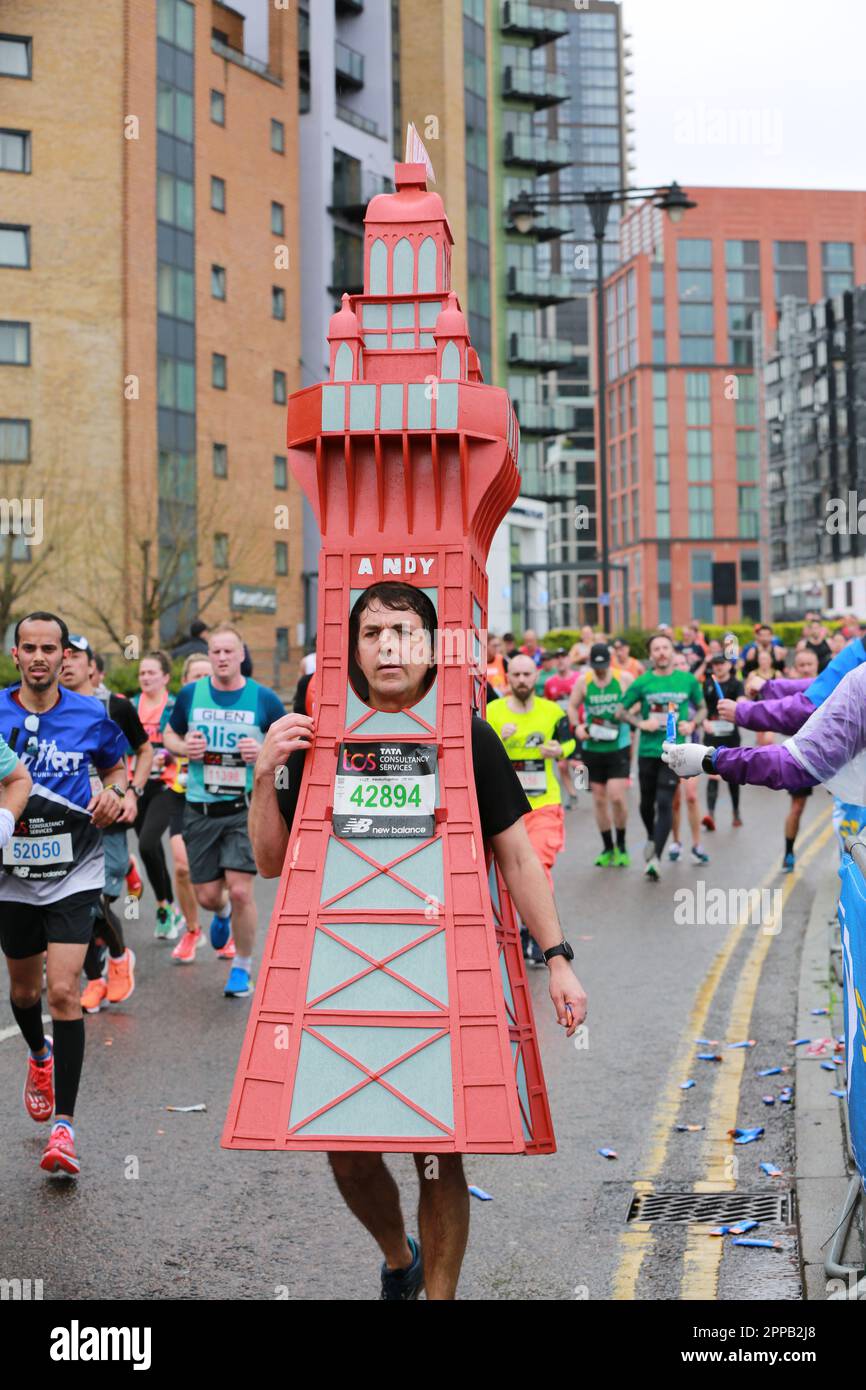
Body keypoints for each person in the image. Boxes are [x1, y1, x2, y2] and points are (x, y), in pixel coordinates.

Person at [249, 580, 587, 1301]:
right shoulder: (320, 733)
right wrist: (264, 775)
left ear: (434, 648)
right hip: (338, 971)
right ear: (353, 649)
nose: (388, 647)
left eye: (403, 632)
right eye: (372, 634)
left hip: (438, 970)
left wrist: (557, 959)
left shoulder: (468, 734)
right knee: (345, 1156)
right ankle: (397, 1261)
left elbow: (518, 855)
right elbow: (272, 861)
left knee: (439, 1157)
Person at [0, 612, 129, 1176]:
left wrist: (119, 793)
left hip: (75, 868)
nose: (38, 657)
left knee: (63, 992)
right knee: (24, 992)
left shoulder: (91, 714)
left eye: (48, 648)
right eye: (28, 647)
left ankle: (65, 1129)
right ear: (16, 655)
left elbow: (118, 768)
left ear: (64, 655)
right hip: (11, 874)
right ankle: (38, 1054)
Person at [163, 624, 285, 997]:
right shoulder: (190, 695)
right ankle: (220, 914)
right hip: (200, 808)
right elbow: (168, 736)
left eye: (229, 651)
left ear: (241, 654)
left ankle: (242, 968)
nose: (222, 658)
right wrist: (185, 747)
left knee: (241, 891)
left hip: (243, 808)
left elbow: (291, 746)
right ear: (209, 654)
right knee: (207, 896)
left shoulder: (263, 699)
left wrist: (263, 747)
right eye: (215, 651)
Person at [59, 635, 151, 1012]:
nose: (65, 663)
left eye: (74, 656)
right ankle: (95, 980)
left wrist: (132, 793)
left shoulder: (115, 706)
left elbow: (143, 749)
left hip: (108, 817)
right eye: (59, 656)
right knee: (73, 907)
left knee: (95, 901)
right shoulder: (46, 711)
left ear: (91, 665)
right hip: (64, 821)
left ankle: (118, 957)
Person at [486, 653, 576, 964]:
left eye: (527, 675)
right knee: (506, 873)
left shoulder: (552, 711)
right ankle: (519, 929)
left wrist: (558, 749)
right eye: (516, 675)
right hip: (506, 806)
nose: (522, 680)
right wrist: (498, 738)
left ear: (536, 676)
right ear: (507, 678)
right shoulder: (491, 711)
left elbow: (571, 742)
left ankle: (537, 933)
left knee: (538, 865)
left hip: (544, 803)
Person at [618, 631, 707, 881]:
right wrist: (639, 722)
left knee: (666, 802)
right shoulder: (642, 683)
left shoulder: (687, 681)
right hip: (647, 751)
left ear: (672, 652)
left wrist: (693, 723)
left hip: (674, 752)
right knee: (646, 804)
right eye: (656, 649)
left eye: (665, 648)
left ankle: (654, 856)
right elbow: (620, 711)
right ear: (650, 655)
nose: (661, 653)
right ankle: (651, 837)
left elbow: (702, 708)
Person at [169, 655, 234, 964]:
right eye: (195, 676)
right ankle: (193, 931)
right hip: (180, 794)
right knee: (182, 867)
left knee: (218, 882)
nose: (202, 683)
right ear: (184, 682)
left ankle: (223, 912)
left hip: (218, 798)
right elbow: (158, 746)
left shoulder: (228, 710)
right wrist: (180, 749)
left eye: (207, 676)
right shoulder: (177, 711)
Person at [131, 651, 185, 941]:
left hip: (167, 785)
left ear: (165, 677)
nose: (146, 677)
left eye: (152, 672)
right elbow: (120, 744)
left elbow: (183, 742)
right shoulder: (129, 706)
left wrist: (165, 754)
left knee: (147, 842)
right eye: (142, 673)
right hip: (138, 785)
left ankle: (164, 907)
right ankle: (169, 907)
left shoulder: (175, 707)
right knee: (150, 849)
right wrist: (139, 757)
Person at [567, 642, 633, 866]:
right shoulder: (583, 681)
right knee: (598, 799)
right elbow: (572, 706)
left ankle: (622, 846)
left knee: (616, 796)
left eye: (604, 665)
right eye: (597, 666)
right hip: (592, 748)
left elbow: (637, 702)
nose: (601, 670)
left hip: (618, 746)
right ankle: (608, 848)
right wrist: (577, 726)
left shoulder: (623, 678)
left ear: (609, 661)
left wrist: (625, 712)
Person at [701, 652, 743, 831]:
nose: (718, 666)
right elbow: (702, 707)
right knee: (712, 774)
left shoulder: (736, 684)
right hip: (712, 733)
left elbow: (742, 702)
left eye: (721, 663)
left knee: (732, 775)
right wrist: (704, 722)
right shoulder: (708, 683)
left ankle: (735, 811)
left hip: (730, 734)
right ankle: (710, 815)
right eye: (715, 664)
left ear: (729, 665)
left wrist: (741, 708)